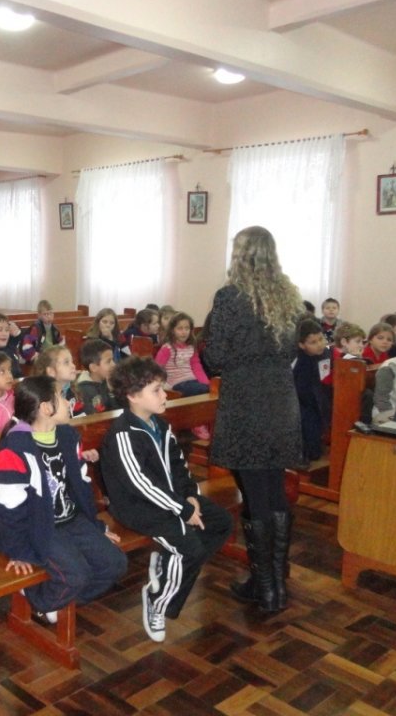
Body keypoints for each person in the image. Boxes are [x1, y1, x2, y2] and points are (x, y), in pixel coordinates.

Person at [204, 226, 303, 614]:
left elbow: (216, 356)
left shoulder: (230, 296)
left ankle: (266, 590)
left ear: (240, 255)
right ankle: (275, 583)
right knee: (273, 490)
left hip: (246, 399)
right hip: (280, 398)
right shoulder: (290, 295)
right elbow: (292, 349)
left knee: (255, 492)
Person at [100, 357, 231, 641]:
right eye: (156, 390)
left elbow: (178, 465)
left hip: (170, 500)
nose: (164, 394)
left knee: (221, 522)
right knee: (190, 549)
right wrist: (182, 509)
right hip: (136, 507)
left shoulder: (160, 425)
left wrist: (190, 496)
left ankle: (166, 563)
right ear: (133, 397)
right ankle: (157, 601)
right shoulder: (124, 433)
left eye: (162, 388)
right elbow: (140, 484)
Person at [0, 376, 127, 624]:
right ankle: (36, 598)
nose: (69, 402)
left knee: (115, 563)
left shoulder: (67, 436)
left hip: (72, 519)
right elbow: (8, 507)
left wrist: (96, 527)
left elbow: (82, 486)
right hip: (38, 527)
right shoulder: (14, 447)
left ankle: (55, 601)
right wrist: (18, 550)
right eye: (63, 397)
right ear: (46, 408)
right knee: (76, 575)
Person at [154, 310, 211, 439]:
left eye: (187, 328)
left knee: (207, 389)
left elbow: (196, 366)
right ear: (172, 330)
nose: (184, 331)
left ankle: (202, 420)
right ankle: (195, 423)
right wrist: (162, 386)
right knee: (198, 391)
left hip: (191, 380)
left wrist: (206, 382)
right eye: (180, 328)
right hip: (176, 383)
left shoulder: (191, 346)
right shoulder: (167, 348)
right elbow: (157, 368)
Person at [291, 319, 332, 463]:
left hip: (323, 400)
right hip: (305, 405)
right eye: (313, 342)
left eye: (321, 339)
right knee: (312, 443)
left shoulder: (327, 353)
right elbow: (300, 390)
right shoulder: (300, 361)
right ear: (301, 345)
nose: (319, 344)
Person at [74, 339, 118, 416]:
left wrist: (112, 390)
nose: (113, 364)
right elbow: (99, 418)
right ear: (94, 367)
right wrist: (111, 392)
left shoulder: (108, 380)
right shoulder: (84, 391)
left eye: (113, 360)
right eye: (108, 361)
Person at [33, 345, 78, 415]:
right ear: (51, 371)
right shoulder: (43, 399)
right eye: (66, 362)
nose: (73, 366)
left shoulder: (74, 391)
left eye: (72, 361)